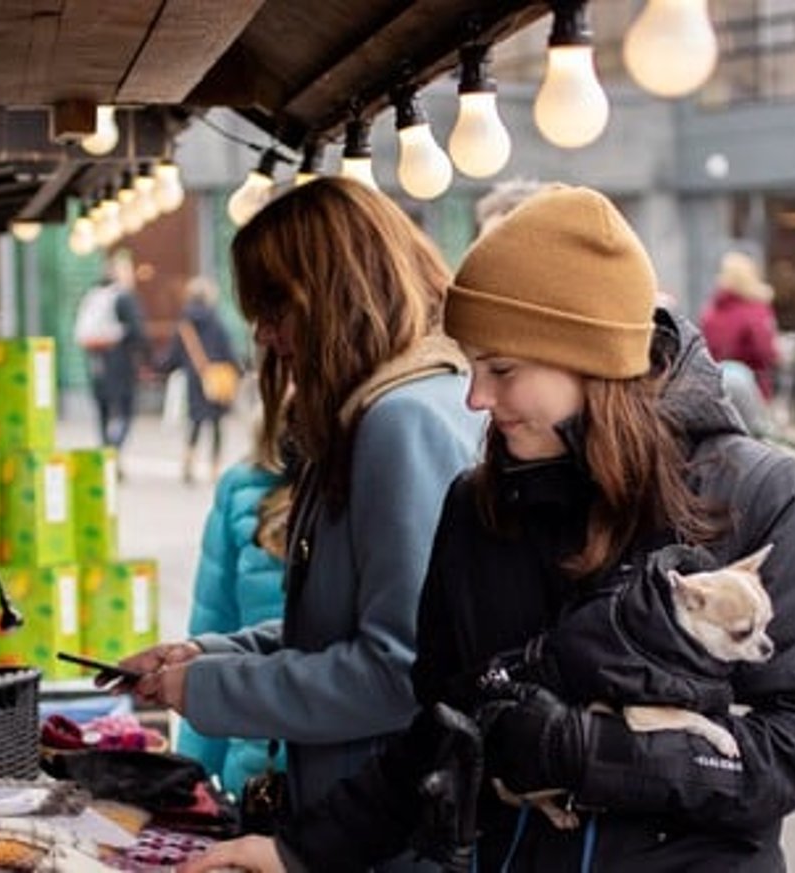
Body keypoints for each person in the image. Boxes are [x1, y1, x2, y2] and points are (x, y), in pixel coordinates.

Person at [184, 185, 795, 872]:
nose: (476, 397)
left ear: (593, 359)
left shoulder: (765, 496)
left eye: (501, 369)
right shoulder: (478, 506)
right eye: (473, 366)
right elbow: (442, 728)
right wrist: (301, 851)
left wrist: (588, 752)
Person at [118, 178, 486, 866]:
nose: (263, 334)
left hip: (384, 839)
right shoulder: (390, 407)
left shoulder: (397, 423)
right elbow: (353, 624)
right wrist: (213, 655)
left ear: (335, 295)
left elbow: (397, 670)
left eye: (274, 308)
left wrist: (209, 688)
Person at [172, 369, 294, 795]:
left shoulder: (366, 481)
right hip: (254, 776)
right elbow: (210, 633)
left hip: (344, 779)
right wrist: (188, 780)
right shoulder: (241, 488)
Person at [161, 276, 241, 482]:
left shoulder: (184, 324)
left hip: (194, 380)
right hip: (216, 379)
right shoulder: (216, 321)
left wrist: (161, 368)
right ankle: (214, 468)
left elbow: (174, 355)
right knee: (216, 425)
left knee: (195, 422)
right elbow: (228, 351)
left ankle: (188, 462)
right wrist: (239, 371)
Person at [74, 252, 148, 452]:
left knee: (103, 409)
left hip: (97, 361)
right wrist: (146, 359)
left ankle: (105, 451)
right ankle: (113, 452)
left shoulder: (94, 294)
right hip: (121, 363)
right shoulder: (124, 297)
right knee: (125, 409)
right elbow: (138, 332)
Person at [699, 251, 780, 399]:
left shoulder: (711, 311)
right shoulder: (757, 311)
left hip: (715, 390)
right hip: (752, 390)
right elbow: (766, 352)